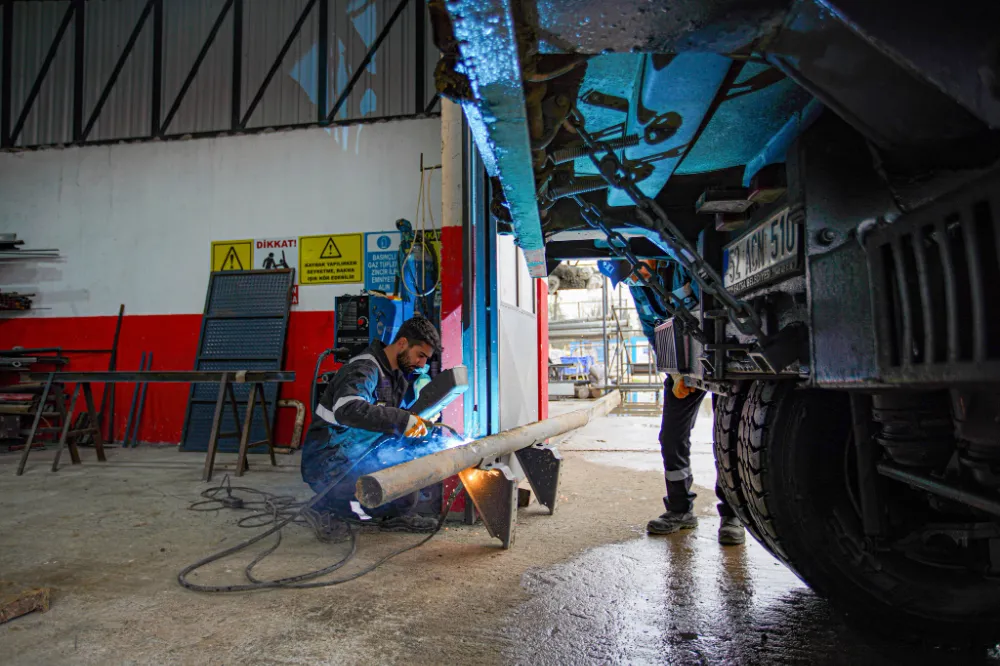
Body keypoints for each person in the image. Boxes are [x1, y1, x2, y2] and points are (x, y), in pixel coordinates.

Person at [597, 259, 745, 546]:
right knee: (671, 437)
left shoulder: (680, 261)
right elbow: (653, 330)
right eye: (626, 279)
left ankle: (732, 515)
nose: (632, 281)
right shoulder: (637, 285)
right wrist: (676, 373)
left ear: (642, 257)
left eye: (632, 272)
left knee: (725, 437)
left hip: (720, 356)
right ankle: (680, 510)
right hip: (683, 364)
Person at [300, 315, 442, 534]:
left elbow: (383, 419)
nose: (422, 364)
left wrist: (421, 424)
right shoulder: (365, 368)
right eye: (420, 355)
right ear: (403, 343)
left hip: (356, 454)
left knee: (405, 495)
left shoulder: (397, 376)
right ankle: (321, 506)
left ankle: (391, 516)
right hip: (327, 461)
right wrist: (403, 420)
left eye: (426, 359)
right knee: (366, 488)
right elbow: (348, 409)